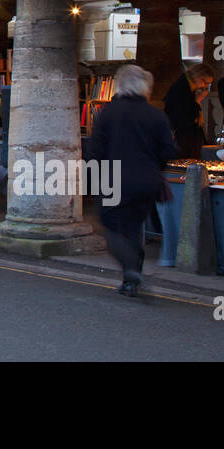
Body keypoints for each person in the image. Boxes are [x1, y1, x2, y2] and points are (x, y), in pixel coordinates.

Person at [88, 64, 178, 298]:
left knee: (111, 227)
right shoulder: (156, 115)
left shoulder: (108, 113)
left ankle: (130, 269)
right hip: (147, 181)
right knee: (133, 228)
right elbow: (169, 151)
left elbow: (94, 150)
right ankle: (131, 282)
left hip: (115, 178)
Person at [162, 62, 215, 158]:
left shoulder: (189, 87)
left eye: (208, 84)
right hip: (184, 136)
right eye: (205, 81)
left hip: (186, 135)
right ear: (197, 75)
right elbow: (186, 115)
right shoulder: (183, 89)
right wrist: (198, 101)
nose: (205, 86)